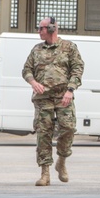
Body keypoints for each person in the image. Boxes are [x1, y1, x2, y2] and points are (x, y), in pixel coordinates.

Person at [22, 17, 84, 186]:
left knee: (68, 128)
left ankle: (62, 161)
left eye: (41, 28)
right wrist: (33, 82)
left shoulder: (69, 47)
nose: (38, 31)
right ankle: (45, 173)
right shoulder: (36, 50)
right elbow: (26, 70)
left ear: (51, 28)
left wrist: (70, 90)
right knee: (44, 134)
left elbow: (77, 69)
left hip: (63, 96)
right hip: (43, 100)